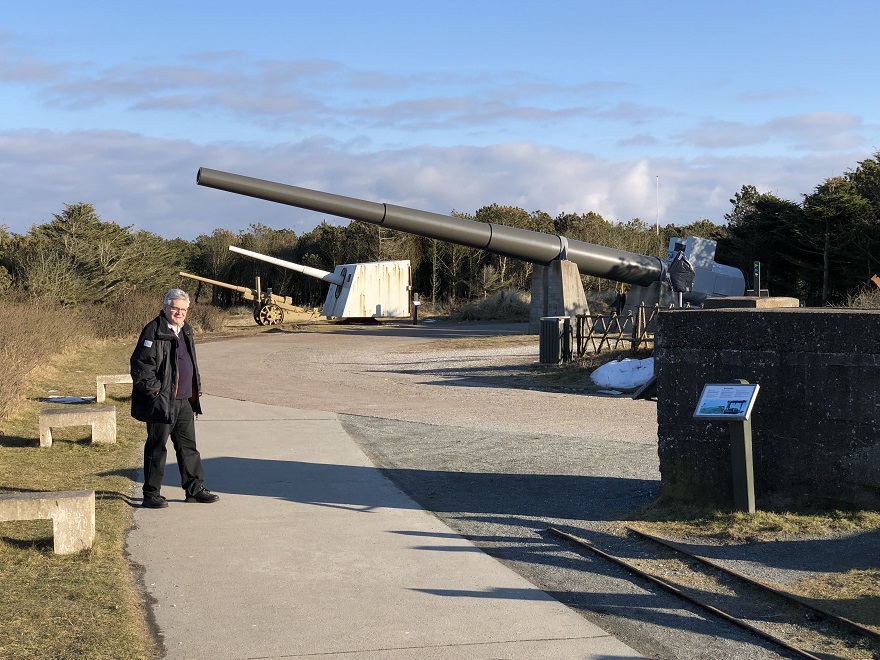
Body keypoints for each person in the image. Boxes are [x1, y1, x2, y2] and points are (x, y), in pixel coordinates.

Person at [130, 289, 219, 508]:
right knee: (156, 447)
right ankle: (151, 494)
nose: (179, 312)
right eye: (175, 308)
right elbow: (140, 367)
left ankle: (195, 489)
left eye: (183, 309)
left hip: (185, 400)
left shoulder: (186, 330)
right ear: (166, 307)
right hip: (162, 402)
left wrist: (195, 384)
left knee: (189, 448)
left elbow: (190, 361)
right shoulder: (153, 330)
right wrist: (156, 392)